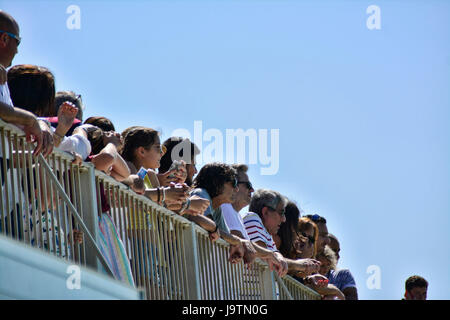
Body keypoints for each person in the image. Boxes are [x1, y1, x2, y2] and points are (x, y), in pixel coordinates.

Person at [0, 10, 53, 157]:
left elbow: (8, 117)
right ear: (4, 39)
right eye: (17, 41)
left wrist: (41, 124)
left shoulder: (3, 79)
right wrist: (31, 119)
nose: (17, 50)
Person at [220, 164, 286, 276]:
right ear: (233, 185)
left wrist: (272, 254)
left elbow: (246, 244)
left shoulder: (237, 216)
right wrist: (270, 254)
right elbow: (239, 240)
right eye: (248, 185)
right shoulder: (225, 207)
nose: (252, 189)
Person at [243, 189, 321, 276]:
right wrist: (300, 265)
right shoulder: (252, 218)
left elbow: (277, 259)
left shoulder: (267, 236)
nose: (284, 219)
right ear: (265, 212)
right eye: (281, 213)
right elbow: (264, 256)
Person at [325, 233, 358, 299]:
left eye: (338, 252)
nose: (338, 256)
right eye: (333, 251)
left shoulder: (343, 275)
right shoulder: (308, 270)